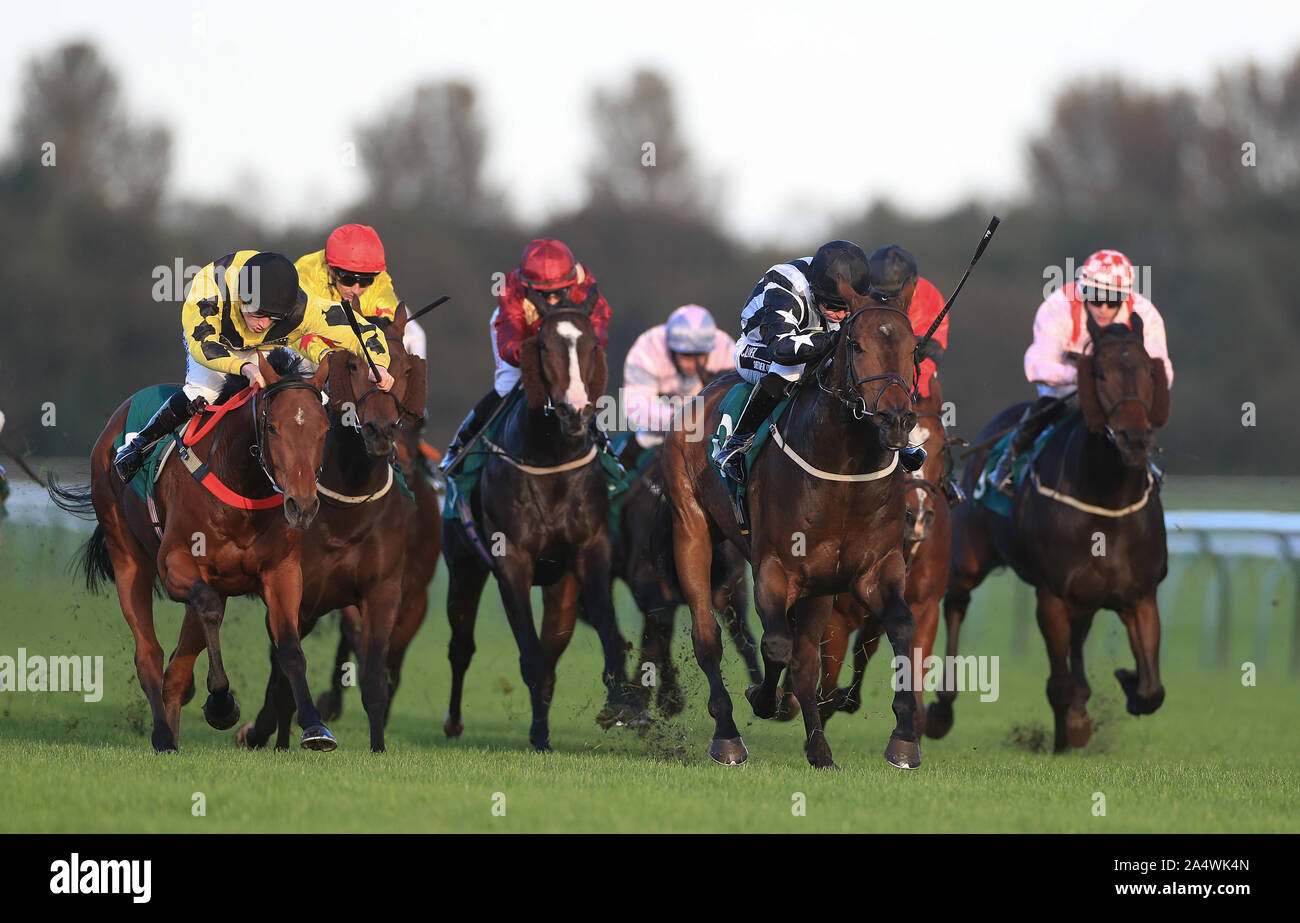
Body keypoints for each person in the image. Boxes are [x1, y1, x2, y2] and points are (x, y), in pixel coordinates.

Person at [113, 250, 394, 483]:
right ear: (240, 297)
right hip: (216, 342)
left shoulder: (302, 308)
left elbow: (361, 331)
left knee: (300, 397)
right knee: (205, 391)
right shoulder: (208, 293)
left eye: (273, 318)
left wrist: (378, 364)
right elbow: (203, 346)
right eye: (258, 313)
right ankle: (138, 446)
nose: (262, 324)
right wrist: (244, 367)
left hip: (263, 348)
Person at [711, 240, 926, 483]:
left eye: (847, 308)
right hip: (760, 349)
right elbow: (781, 348)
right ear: (815, 291)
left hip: (818, 344)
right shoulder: (783, 284)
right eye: (833, 306)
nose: (841, 315)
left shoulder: (853, 288)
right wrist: (838, 337)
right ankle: (737, 443)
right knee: (791, 369)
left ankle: (895, 435)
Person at [990, 248, 1174, 495]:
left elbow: (1163, 370)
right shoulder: (1058, 306)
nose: (1104, 309)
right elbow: (1036, 365)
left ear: (1126, 297)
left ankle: (1144, 461)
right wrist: (1086, 378)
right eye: (1096, 298)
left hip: (1119, 395)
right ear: (1083, 290)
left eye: (1113, 301)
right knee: (1050, 405)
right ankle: (1009, 461)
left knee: (1135, 413)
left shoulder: (1144, 313)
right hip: (1066, 391)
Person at [441, 238, 611, 472]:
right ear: (527, 286)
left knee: (579, 386)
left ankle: (605, 445)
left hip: (567, 343)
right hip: (526, 340)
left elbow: (599, 327)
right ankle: (460, 445)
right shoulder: (511, 291)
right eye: (542, 294)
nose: (551, 301)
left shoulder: (585, 286)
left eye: (559, 293)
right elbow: (510, 343)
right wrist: (540, 354)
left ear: (571, 284)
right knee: (506, 387)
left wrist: (577, 347)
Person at [866, 244, 962, 504]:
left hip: (914, 372)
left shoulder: (930, 297)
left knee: (932, 413)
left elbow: (933, 353)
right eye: (882, 293)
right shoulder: (860, 294)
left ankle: (945, 476)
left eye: (894, 293)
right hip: (870, 376)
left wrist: (910, 388)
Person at [295, 223, 426, 359]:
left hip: (354, 338)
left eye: (365, 280)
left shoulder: (379, 281)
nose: (356, 290)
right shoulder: (306, 275)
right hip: (299, 337)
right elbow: (299, 332)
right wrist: (326, 356)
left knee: (415, 334)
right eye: (348, 279)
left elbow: (391, 324)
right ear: (332, 270)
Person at [623, 304, 735, 451]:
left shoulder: (725, 348)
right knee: (643, 439)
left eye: (701, 354)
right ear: (671, 348)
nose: (694, 364)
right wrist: (683, 419)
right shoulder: (649, 347)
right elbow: (634, 407)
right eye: (686, 355)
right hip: (659, 427)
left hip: (710, 425)